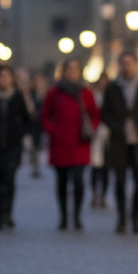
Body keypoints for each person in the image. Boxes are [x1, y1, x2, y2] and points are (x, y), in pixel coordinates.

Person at [100, 51, 138, 235]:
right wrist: (118, 127)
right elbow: (105, 113)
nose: (127, 66)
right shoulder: (112, 87)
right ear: (119, 65)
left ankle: (135, 217)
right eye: (123, 63)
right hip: (119, 142)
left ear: (136, 65)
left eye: (130, 62)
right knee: (119, 182)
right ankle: (122, 219)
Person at [42, 58, 99, 231]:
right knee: (62, 181)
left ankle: (77, 216)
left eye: (75, 69)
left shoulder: (85, 92)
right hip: (60, 145)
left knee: (79, 180)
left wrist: (92, 129)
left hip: (80, 144)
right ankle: (64, 217)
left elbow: (95, 114)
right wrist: (54, 130)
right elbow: (44, 116)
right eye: (69, 69)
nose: (72, 72)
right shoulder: (54, 92)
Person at [0, 66, 32, 230]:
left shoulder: (16, 96)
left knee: (8, 178)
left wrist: (20, 134)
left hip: (12, 144)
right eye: (1, 76)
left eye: (7, 77)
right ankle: (0, 216)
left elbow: (27, 118)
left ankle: (8, 213)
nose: (3, 80)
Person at [88, 73, 111, 209]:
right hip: (95, 134)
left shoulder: (111, 95)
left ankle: (103, 195)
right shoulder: (93, 95)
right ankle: (94, 194)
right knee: (95, 168)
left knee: (105, 168)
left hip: (108, 134)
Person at [27, 72, 49, 178]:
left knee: (39, 147)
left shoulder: (46, 94)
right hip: (32, 124)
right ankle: (34, 165)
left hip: (41, 125)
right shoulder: (31, 93)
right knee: (33, 147)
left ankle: (37, 165)